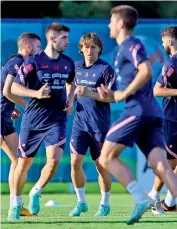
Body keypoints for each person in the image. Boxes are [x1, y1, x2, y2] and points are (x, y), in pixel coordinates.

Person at [95, 5, 177, 225]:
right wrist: (109, 94)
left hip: (139, 111)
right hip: (152, 113)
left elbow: (146, 71)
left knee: (106, 157)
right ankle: (146, 198)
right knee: (161, 166)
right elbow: (121, 92)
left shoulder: (131, 44)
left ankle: (141, 199)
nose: (109, 25)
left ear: (121, 23)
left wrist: (123, 93)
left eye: (111, 21)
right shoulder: (124, 49)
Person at [8, 23, 75, 220]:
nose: (67, 42)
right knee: (23, 164)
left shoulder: (68, 62)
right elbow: (15, 88)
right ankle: (16, 204)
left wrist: (70, 99)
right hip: (33, 120)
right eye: (64, 38)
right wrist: (36, 93)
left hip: (57, 119)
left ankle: (36, 191)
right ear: (52, 39)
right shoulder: (32, 62)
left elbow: (71, 82)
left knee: (54, 161)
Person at [69, 33, 117, 217]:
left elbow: (113, 97)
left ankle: (105, 204)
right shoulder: (75, 67)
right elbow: (72, 90)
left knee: (101, 166)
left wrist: (90, 93)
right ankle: (81, 202)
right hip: (79, 125)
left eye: (93, 47)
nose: (89, 51)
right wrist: (69, 102)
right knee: (75, 163)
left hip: (100, 127)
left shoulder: (106, 69)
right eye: (86, 47)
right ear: (81, 48)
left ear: (99, 49)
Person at [1, 32, 41, 217]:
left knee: (17, 161)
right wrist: (29, 105)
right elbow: (8, 91)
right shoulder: (16, 63)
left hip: (6, 117)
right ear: (27, 46)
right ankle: (14, 206)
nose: (39, 51)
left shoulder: (17, 64)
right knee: (18, 162)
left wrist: (12, 108)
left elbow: (4, 92)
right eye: (38, 47)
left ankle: (15, 205)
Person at [148, 26, 177, 214]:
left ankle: (168, 202)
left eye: (163, 41)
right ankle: (155, 197)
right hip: (173, 119)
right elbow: (157, 90)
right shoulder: (172, 63)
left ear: (170, 41)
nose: (162, 44)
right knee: (169, 164)